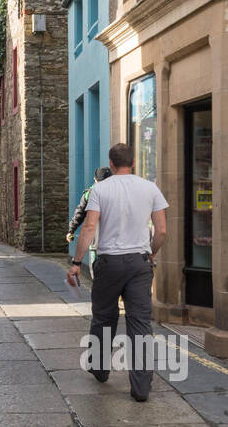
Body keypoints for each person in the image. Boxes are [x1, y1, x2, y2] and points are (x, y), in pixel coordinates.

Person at [67, 143, 167, 403]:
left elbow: (89, 227)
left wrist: (77, 261)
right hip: (139, 263)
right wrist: (151, 252)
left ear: (111, 164)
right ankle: (141, 388)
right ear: (132, 163)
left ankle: (100, 369)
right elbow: (162, 230)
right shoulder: (150, 188)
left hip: (109, 262)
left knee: (103, 317)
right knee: (140, 324)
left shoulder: (100, 189)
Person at [67, 166, 113, 271]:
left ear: (95, 179)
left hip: (96, 244)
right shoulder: (120, 193)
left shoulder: (90, 193)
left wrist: (71, 231)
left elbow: (79, 213)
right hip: (117, 246)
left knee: (97, 276)